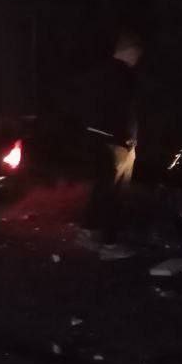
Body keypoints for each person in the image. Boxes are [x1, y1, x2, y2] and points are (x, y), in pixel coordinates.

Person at [66, 31, 142, 252]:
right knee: (112, 192)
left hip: (106, 139)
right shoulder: (121, 75)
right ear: (131, 51)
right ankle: (106, 240)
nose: (138, 59)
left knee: (106, 188)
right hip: (114, 141)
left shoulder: (101, 75)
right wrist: (126, 138)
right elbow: (123, 110)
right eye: (137, 54)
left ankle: (98, 234)